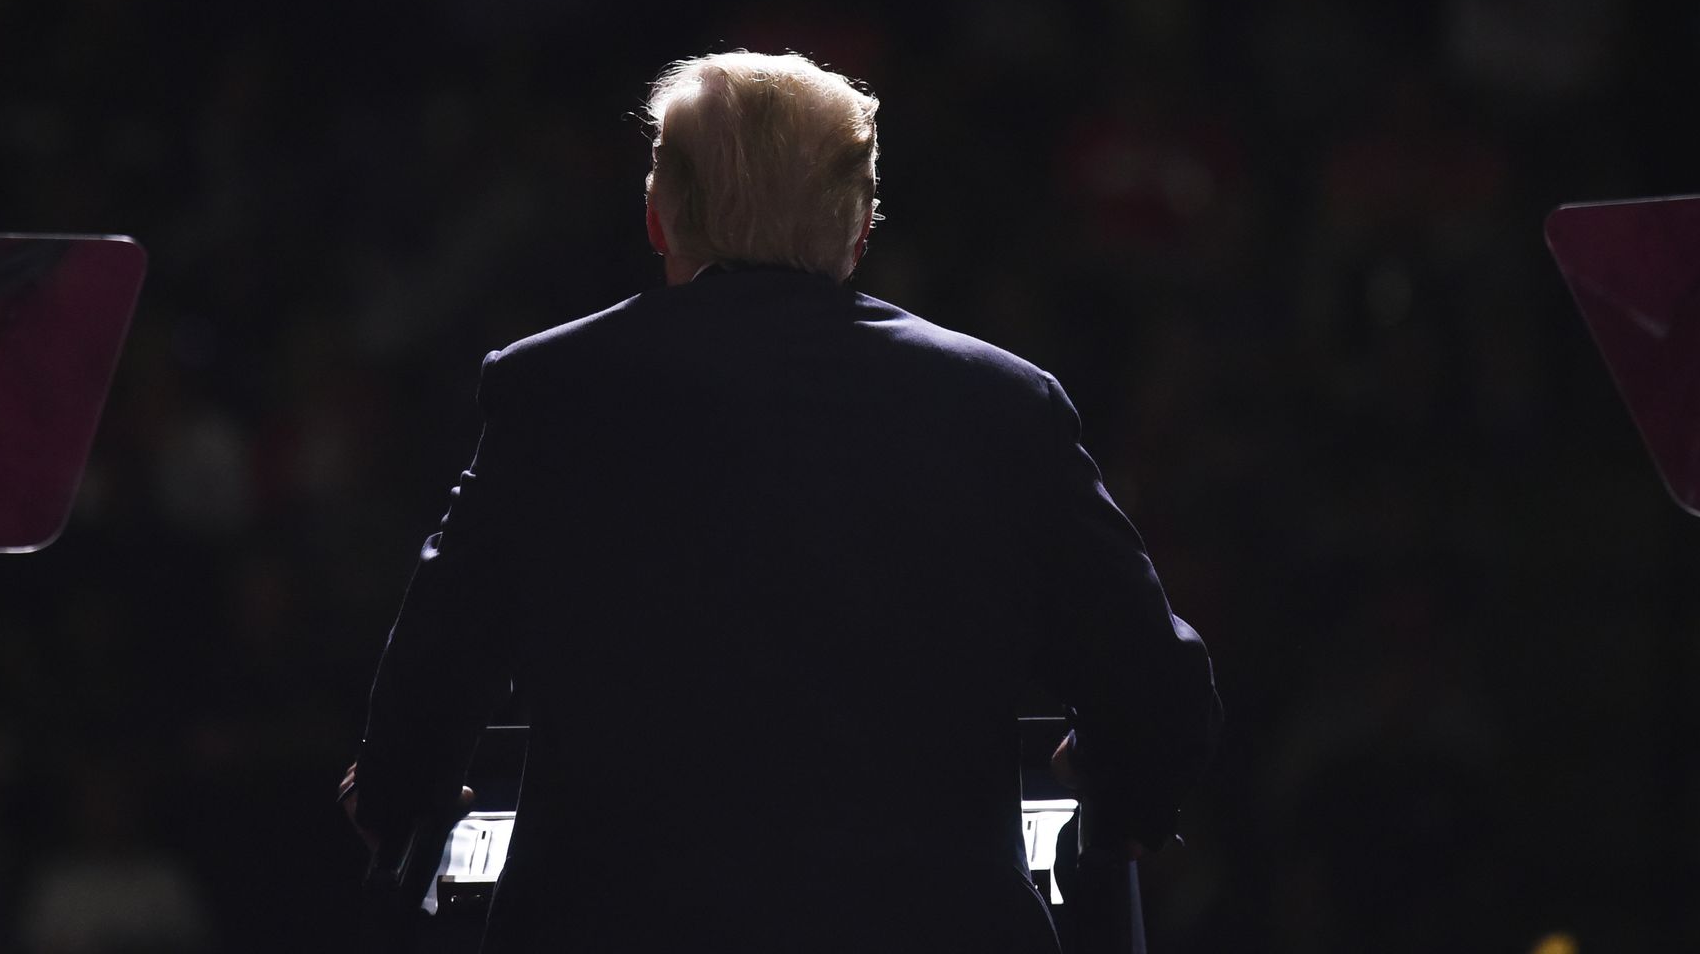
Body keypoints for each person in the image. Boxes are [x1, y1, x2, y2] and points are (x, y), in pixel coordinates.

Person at [342, 51, 1220, 954]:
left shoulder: (548, 391)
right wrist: (1120, 786)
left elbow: (440, 656)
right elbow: (1153, 688)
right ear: (860, 227)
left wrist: (401, 795)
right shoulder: (1003, 402)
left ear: (658, 216)